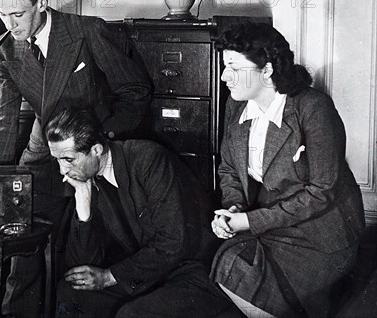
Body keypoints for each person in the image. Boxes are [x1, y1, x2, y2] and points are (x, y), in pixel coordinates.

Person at [0, 0, 152, 316]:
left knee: (87, 253)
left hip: (95, 154)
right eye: (2, 14)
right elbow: (4, 120)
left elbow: (134, 91)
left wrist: (102, 141)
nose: (10, 25)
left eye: (17, 14)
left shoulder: (87, 31)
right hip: (42, 154)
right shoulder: (5, 52)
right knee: (23, 254)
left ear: (42, 2)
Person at [210, 23, 365, 318]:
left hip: (322, 234)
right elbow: (229, 169)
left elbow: (321, 193)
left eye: (233, 67)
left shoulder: (313, 107)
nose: (223, 76)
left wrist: (250, 221)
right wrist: (233, 209)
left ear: (266, 71)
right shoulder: (236, 105)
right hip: (273, 224)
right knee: (227, 260)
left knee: (235, 267)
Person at [46, 107, 240, 318]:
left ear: (96, 150)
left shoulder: (148, 159)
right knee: (70, 293)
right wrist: (83, 203)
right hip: (146, 273)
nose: (62, 171)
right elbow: (81, 266)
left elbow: (174, 242)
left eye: (68, 159)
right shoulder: (89, 179)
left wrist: (109, 276)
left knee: (132, 315)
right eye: (57, 160)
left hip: (190, 271)